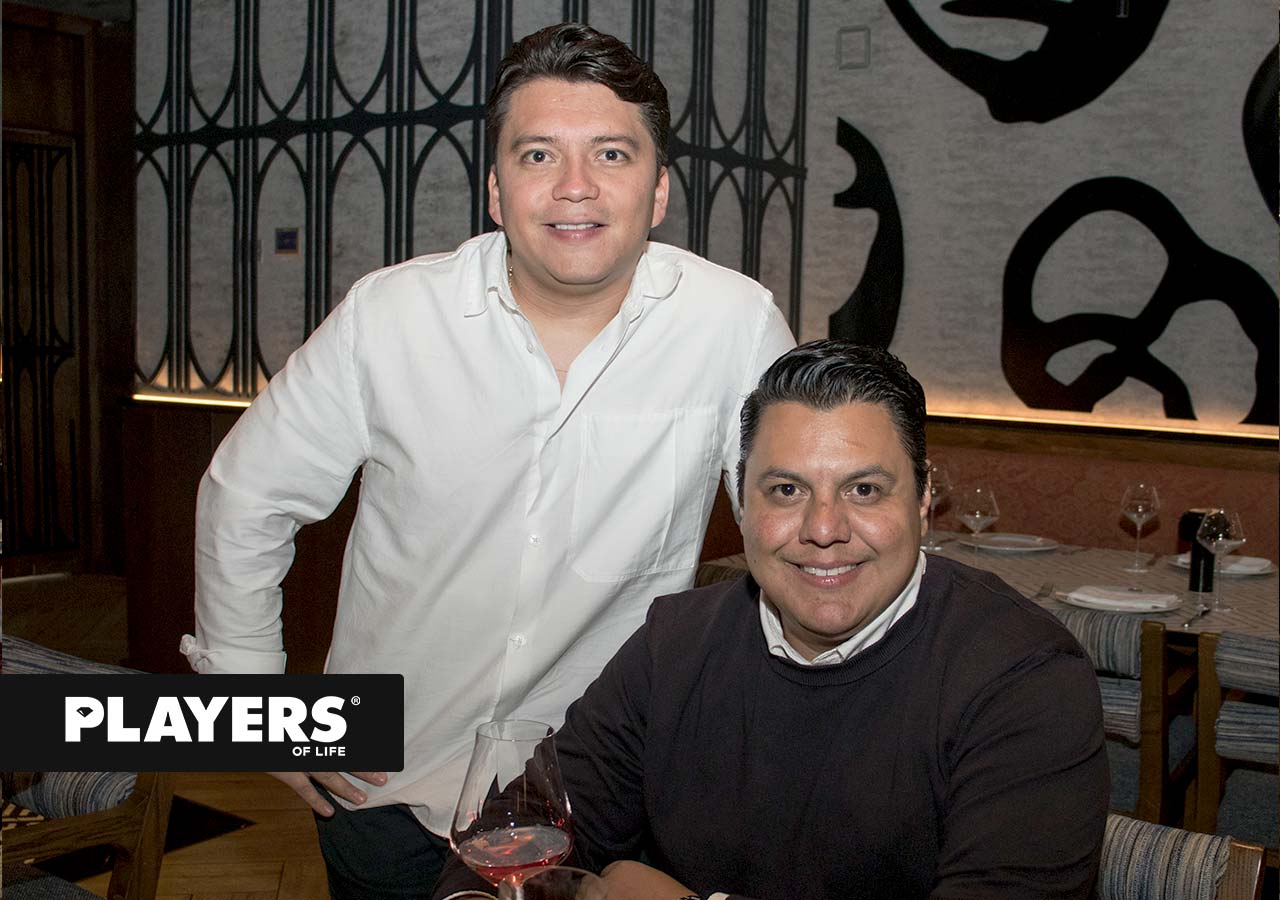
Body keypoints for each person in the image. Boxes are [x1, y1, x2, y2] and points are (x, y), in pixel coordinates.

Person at [183, 22, 794, 899]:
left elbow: (792, 525)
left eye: (612, 154)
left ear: (658, 190)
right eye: (539, 154)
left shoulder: (731, 324)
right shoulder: (390, 318)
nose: (575, 185)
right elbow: (246, 495)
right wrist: (250, 709)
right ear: (497, 191)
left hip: (599, 796)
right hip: (385, 787)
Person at [434, 340, 1108, 900]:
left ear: (925, 500)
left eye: (864, 489)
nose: (823, 529)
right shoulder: (676, 642)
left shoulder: (1024, 677)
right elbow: (517, 833)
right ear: (742, 505)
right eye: (787, 490)